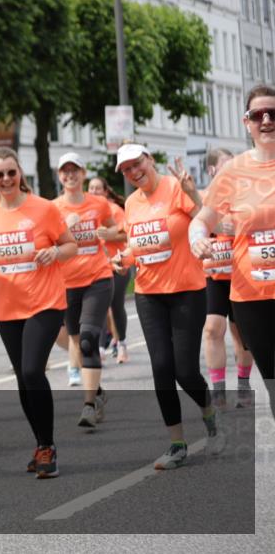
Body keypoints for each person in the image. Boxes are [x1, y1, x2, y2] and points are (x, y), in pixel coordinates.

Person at [111, 144, 223, 470]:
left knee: (184, 370)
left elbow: (210, 224)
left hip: (187, 291)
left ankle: (209, 413)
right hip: (148, 294)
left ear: (150, 160)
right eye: (127, 169)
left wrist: (195, 196)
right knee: (161, 367)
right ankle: (176, 444)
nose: (134, 172)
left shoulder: (177, 187)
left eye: (137, 164)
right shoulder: (131, 203)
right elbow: (139, 244)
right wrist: (124, 258)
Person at [0, 147, 77, 479]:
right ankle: (40, 444)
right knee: (22, 379)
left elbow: (71, 245)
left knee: (32, 371)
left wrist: (55, 252)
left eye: (11, 172)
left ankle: (48, 446)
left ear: (20, 173)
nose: (5, 179)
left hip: (45, 303)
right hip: (7, 307)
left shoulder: (43, 208)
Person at [191, 85, 275, 417]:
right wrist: (198, 237)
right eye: (258, 115)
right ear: (247, 122)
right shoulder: (233, 172)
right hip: (250, 295)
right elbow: (202, 218)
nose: (266, 120)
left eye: (273, 114)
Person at [52, 153, 121, 429]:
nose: (70, 175)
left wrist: (109, 234)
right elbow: (43, 242)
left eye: (75, 170)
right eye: (65, 171)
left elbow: (116, 228)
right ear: (60, 176)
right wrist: (61, 229)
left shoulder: (99, 204)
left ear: (83, 173)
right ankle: (99, 392)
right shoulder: (52, 208)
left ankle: (89, 405)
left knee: (89, 339)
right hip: (66, 284)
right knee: (76, 341)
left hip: (98, 278)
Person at [198, 148, 254, 409]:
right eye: (226, 166)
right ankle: (218, 392)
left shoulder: (246, 197)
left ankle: (243, 384)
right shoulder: (203, 199)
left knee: (241, 334)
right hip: (215, 276)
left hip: (242, 276)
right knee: (211, 329)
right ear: (212, 170)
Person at [87, 175, 131, 363]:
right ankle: (101, 347)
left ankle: (121, 344)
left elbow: (126, 235)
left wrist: (109, 235)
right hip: (97, 267)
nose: (95, 192)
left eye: (98, 188)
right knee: (100, 307)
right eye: (91, 188)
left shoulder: (114, 210)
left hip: (118, 264)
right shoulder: (86, 212)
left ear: (106, 192)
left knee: (115, 304)